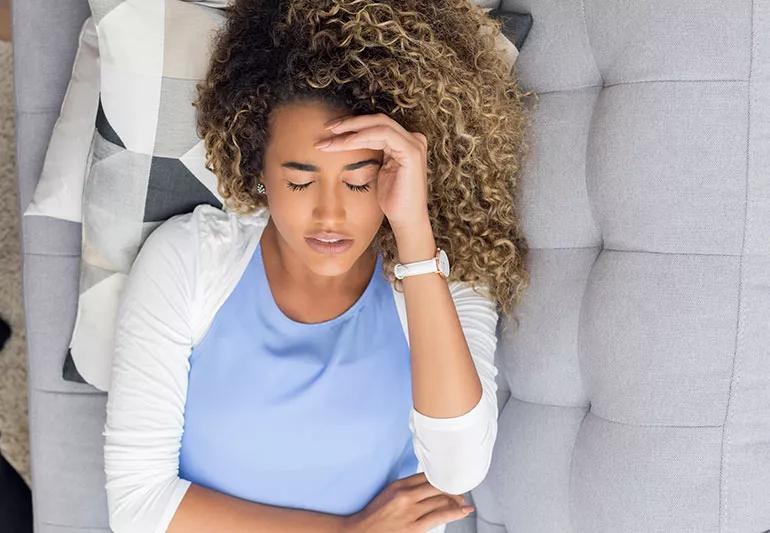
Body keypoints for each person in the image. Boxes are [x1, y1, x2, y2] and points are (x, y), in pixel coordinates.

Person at [103, 1, 532, 532]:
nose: (330, 214)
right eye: (300, 182)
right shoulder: (189, 261)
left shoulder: (443, 281)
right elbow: (137, 508)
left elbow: (458, 466)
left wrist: (416, 239)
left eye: (358, 181)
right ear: (257, 169)